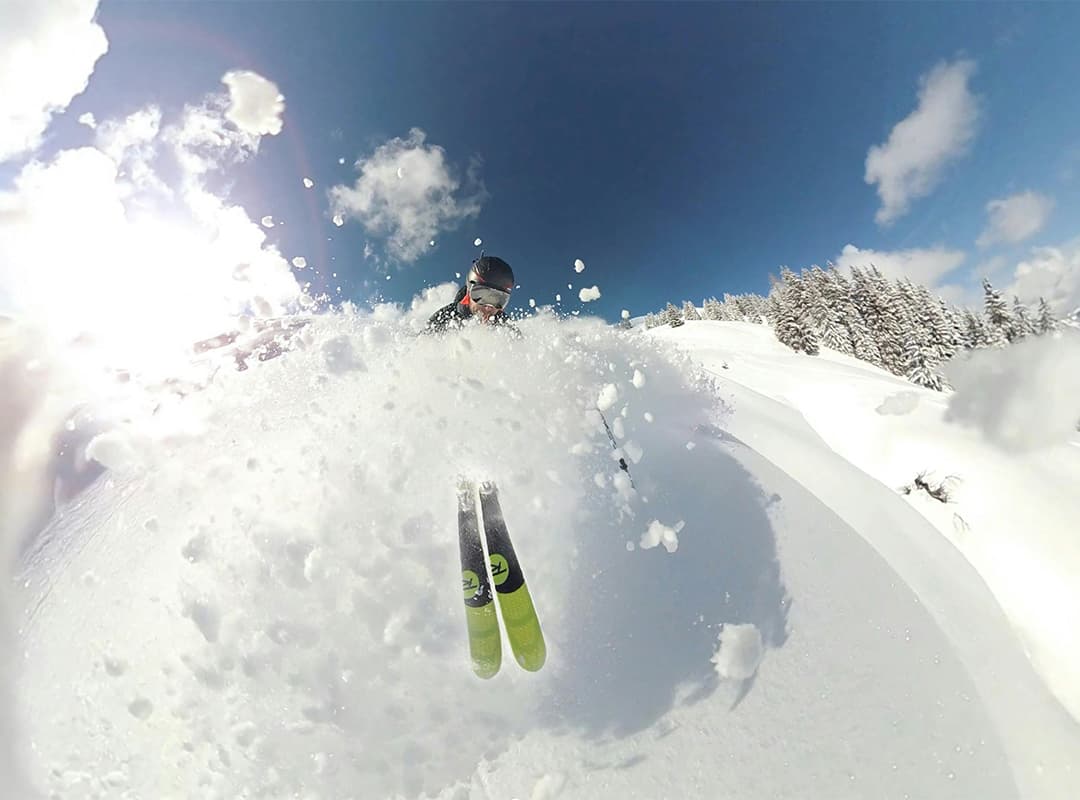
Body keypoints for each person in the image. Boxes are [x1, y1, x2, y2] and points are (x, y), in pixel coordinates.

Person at [426, 255, 519, 333]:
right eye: (481, 295)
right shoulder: (445, 318)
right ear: (469, 292)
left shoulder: (506, 327)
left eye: (498, 300)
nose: (488, 307)